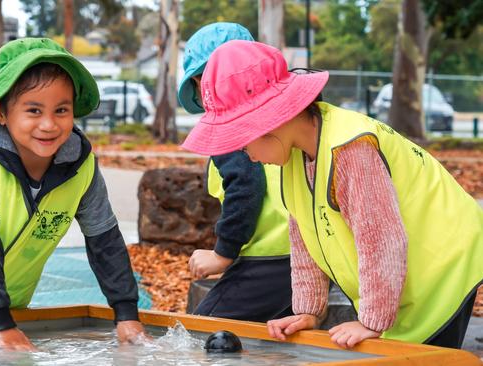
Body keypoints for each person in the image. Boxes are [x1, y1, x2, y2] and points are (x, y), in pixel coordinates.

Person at [181, 40, 483, 349]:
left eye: (242, 142)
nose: (247, 155)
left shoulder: (349, 147)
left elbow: (380, 237)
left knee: (418, 352)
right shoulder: (294, 155)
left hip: (443, 263)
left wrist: (372, 321)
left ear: (269, 121)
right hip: (404, 275)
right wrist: (308, 311)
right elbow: (304, 238)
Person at [0, 38, 146, 351]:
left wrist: (126, 315)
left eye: (62, 110)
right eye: (33, 110)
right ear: (0, 111)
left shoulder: (82, 168)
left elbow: (104, 240)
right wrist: (1, 324)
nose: (49, 124)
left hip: (11, 314)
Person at [178, 23, 293, 322]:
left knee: (205, 330)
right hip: (301, 252)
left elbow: (246, 187)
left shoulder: (230, 125)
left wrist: (222, 255)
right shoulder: (275, 117)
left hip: (271, 258)